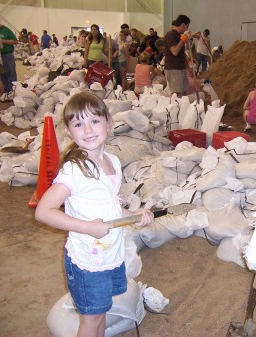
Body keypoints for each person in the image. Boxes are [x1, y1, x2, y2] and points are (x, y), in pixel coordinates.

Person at [35, 92, 153, 337]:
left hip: (109, 255)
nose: (87, 129)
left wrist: (134, 215)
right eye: (78, 124)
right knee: (91, 320)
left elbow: (110, 206)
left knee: (100, 314)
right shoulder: (74, 169)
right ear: (69, 131)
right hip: (87, 263)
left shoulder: (112, 161)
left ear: (109, 123)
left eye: (94, 121)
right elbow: (43, 211)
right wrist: (88, 227)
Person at [163, 14, 191, 96]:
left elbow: (181, 52)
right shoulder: (170, 35)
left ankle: (181, 108)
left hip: (180, 68)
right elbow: (174, 51)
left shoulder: (178, 36)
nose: (187, 29)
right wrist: (183, 40)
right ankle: (174, 108)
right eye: (187, 26)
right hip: (174, 68)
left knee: (182, 92)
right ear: (183, 25)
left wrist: (187, 63)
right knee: (176, 94)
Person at [0, 15, 18, 101]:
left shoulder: (6, 30)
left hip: (7, 55)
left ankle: (12, 91)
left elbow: (15, 41)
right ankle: (4, 93)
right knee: (1, 75)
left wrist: (2, 41)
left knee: (11, 73)